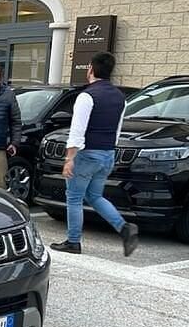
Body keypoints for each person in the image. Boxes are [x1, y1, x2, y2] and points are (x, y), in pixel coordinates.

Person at [50, 52, 139, 256]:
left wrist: (69, 159)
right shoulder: (120, 97)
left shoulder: (87, 96)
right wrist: (110, 150)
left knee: (74, 197)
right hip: (107, 153)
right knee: (95, 195)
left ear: (91, 68)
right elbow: (117, 129)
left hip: (87, 154)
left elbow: (77, 130)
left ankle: (73, 242)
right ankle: (124, 227)